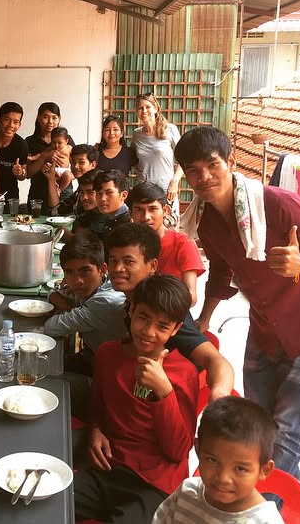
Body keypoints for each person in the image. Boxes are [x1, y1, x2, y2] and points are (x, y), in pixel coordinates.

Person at [174, 126, 300, 479]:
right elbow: (220, 271)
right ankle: (277, 506)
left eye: (212, 164)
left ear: (231, 162)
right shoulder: (207, 223)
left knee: (285, 437)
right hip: (264, 332)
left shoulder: (278, 204)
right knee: (256, 430)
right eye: (193, 170)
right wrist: (204, 318)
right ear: (186, 176)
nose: (204, 177)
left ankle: (254, 505)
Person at [74, 275, 198, 524]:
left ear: (176, 328)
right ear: (130, 309)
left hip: (153, 484)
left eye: (163, 326)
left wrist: (165, 393)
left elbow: (177, 451)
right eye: (143, 317)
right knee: (50, 500)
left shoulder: (183, 373)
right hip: (108, 468)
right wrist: (96, 429)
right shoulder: (109, 353)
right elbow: (98, 406)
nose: (149, 332)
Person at [104, 224, 235, 403]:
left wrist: (219, 396)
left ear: (152, 266)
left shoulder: (163, 310)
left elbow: (216, 361)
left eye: (128, 261)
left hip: (169, 396)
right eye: (113, 261)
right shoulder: (133, 299)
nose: (118, 268)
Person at [152, 396, 282, 523]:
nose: (223, 478)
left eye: (240, 468)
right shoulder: (187, 493)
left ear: (264, 470)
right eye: (212, 460)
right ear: (198, 449)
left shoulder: (265, 521)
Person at [44, 231, 126, 419]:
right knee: (41, 366)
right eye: (70, 273)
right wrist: (64, 301)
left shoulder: (105, 301)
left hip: (110, 384)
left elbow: (51, 326)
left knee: (45, 379)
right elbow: (56, 293)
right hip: (90, 360)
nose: (77, 281)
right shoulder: (94, 288)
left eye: (85, 271)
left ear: (103, 269)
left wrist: (64, 304)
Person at [127, 182, 204, 305]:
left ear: (165, 210)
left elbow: (190, 296)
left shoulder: (183, 243)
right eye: (139, 210)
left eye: (153, 209)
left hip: (172, 312)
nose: (146, 217)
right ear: (131, 213)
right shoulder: (129, 246)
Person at [131, 94, 184, 220]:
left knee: (169, 229)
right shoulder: (136, 134)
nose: (144, 111)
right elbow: (132, 159)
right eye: (140, 108)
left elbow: (184, 158)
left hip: (166, 190)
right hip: (145, 191)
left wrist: (175, 182)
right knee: (146, 231)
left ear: (155, 108)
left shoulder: (170, 129)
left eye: (148, 107)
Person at [25, 102, 74, 204]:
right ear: (38, 118)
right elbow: (28, 173)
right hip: (38, 192)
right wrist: (44, 158)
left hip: (64, 191)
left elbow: (78, 168)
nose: (50, 122)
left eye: (54, 118)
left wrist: (65, 175)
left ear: (59, 119)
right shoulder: (30, 141)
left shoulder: (66, 140)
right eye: (46, 117)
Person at [0, 101, 29, 204]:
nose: (11, 125)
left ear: (19, 124)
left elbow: (23, 175)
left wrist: (20, 172)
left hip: (9, 197)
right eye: (7, 120)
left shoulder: (21, 145)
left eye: (15, 122)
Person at [77, 169, 131, 240]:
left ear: (123, 195)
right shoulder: (109, 217)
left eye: (109, 193)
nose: (102, 198)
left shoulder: (128, 223)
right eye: (99, 193)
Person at [50, 144, 99, 214]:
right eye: (73, 162)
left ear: (93, 165)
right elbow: (56, 211)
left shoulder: (100, 185)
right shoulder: (79, 190)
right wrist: (51, 178)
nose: (75, 166)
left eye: (81, 162)